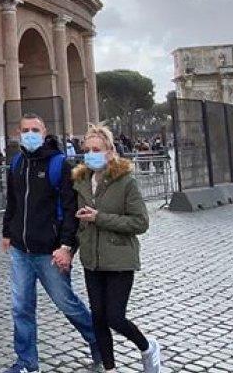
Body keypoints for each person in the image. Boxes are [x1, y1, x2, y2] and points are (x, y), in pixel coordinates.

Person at [1, 114, 100, 373]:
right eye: (25, 130)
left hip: (50, 251)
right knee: (21, 307)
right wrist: (7, 232)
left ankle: (98, 341)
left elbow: (70, 210)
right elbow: (12, 201)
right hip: (21, 249)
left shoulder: (59, 164)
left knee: (66, 303)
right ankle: (26, 362)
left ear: (44, 132)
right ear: (18, 133)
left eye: (35, 129)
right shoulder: (16, 164)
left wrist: (66, 246)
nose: (30, 134)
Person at [72, 124, 163, 373]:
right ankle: (110, 368)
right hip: (92, 259)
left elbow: (140, 222)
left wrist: (99, 217)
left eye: (96, 149)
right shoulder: (80, 182)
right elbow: (77, 222)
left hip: (120, 258)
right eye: (87, 149)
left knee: (115, 317)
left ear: (110, 152)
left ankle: (147, 346)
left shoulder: (126, 182)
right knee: (98, 317)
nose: (91, 153)